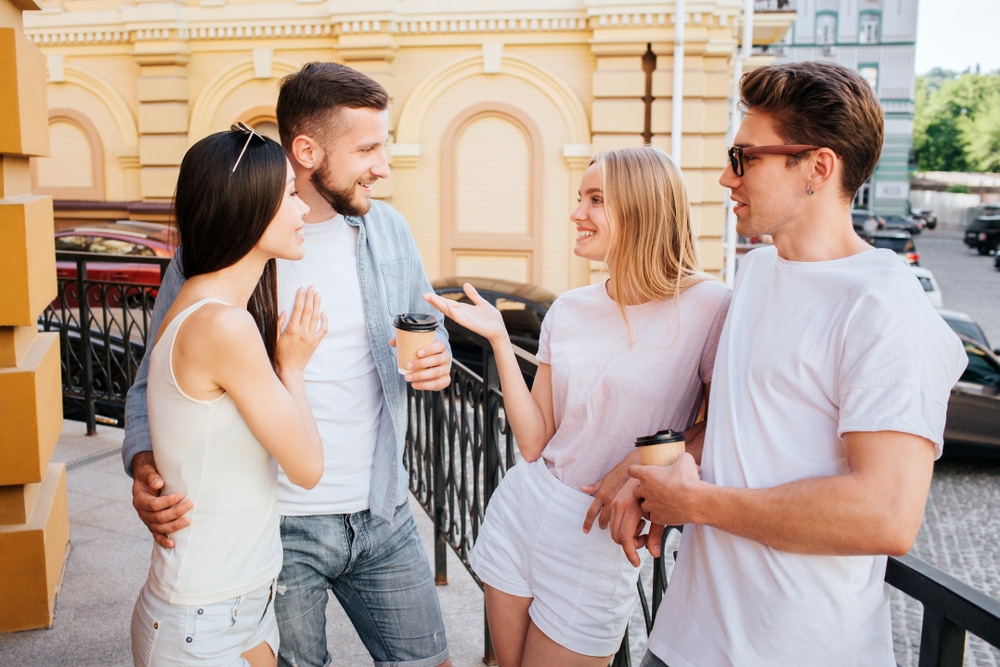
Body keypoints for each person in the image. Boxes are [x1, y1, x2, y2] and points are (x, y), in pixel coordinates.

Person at [624, 61, 968, 667]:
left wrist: (696, 505)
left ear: (818, 167)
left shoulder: (884, 307)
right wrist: (656, 475)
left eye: (745, 157)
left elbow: (885, 514)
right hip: (686, 638)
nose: (726, 177)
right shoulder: (757, 272)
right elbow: (746, 426)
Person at [123, 62, 454, 667]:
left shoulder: (391, 233)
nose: (384, 165)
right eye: (368, 148)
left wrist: (438, 361)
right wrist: (147, 465)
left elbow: (424, 328)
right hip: (280, 526)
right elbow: (155, 380)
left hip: (382, 512)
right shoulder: (221, 252)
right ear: (306, 150)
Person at [424, 145, 731, 667]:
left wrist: (636, 469)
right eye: (579, 198)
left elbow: (723, 426)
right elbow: (534, 441)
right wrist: (500, 340)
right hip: (525, 504)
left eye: (595, 200)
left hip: (599, 534)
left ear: (641, 207)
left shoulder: (709, 307)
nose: (576, 213)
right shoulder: (569, 309)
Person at [130, 125, 327, 666]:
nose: (303, 208)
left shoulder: (203, 303)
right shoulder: (223, 326)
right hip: (203, 617)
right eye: (290, 193)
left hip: (239, 604)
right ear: (250, 207)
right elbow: (308, 468)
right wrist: (293, 366)